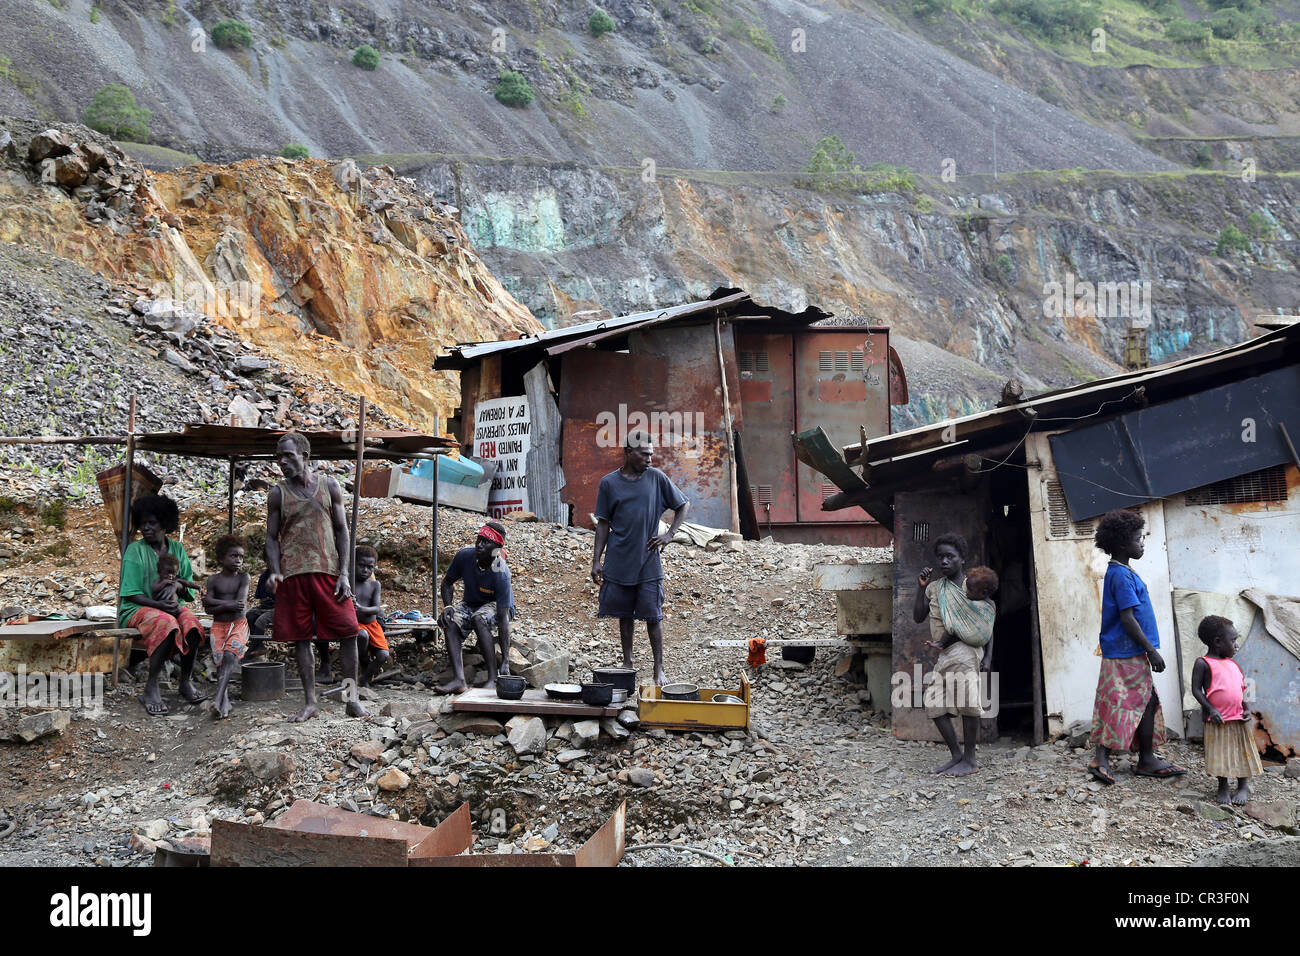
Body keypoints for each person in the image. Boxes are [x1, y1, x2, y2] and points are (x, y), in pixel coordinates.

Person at [266, 432, 365, 722]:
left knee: (348, 632)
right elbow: (271, 538)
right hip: (293, 575)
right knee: (300, 639)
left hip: (329, 573)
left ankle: (351, 699)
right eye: (279, 457)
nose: (282, 462)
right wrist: (274, 570)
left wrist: (344, 573)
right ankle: (310, 703)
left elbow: (342, 530)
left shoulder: (329, 486)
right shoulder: (277, 493)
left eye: (288, 455)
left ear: (305, 456)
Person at [1086, 509, 1185, 785]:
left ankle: (1146, 758)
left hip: (1128, 652)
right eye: (1138, 539)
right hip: (1124, 652)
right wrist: (1152, 651)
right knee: (1118, 702)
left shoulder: (1123, 572)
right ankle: (1103, 759)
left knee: (1144, 700)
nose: (1142, 543)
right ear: (1121, 544)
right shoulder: (1120, 575)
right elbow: (1127, 618)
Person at [591, 430, 689, 687]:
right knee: (625, 613)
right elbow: (603, 523)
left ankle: (659, 668)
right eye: (644, 454)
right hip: (619, 559)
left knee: (653, 615)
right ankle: (628, 662)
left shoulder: (656, 478)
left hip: (648, 560)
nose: (649, 459)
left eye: (651, 454)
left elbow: (682, 505)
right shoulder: (609, 483)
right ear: (628, 452)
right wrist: (596, 560)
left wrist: (669, 534)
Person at [912, 534, 994, 776]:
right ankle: (957, 755)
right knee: (935, 703)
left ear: (962, 559)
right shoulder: (936, 588)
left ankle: (970, 760)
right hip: (945, 654)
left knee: (968, 705)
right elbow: (918, 616)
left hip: (966, 652)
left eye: (950, 556)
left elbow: (986, 624)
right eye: (941, 557)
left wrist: (988, 658)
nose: (944, 561)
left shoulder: (972, 587)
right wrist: (921, 588)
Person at [118, 495, 206, 716]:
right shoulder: (134, 551)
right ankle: (151, 687)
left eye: (152, 523)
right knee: (165, 622)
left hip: (169, 606)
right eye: (143, 523)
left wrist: (177, 588)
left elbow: (186, 587)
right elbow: (132, 594)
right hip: (136, 608)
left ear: (165, 524)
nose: (145, 528)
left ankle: (185, 682)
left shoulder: (176, 549)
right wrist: (160, 605)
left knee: (192, 623)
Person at [435, 522, 514, 694]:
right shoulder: (465, 556)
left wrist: (506, 660)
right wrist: (448, 606)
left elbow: (502, 617)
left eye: (486, 542)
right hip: (471, 602)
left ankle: (493, 678)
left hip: (498, 606)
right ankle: (459, 680)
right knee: (450, 621)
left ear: (497, 548)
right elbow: (447, 583)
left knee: (479, 618)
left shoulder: (501, 572)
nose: (479, 544)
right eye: (478, 539)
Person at [1192, 615, 1260, 805]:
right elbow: (1196, 690)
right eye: (1233, 640)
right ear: (1218, 642)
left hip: (1238, 718)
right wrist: (1211, 709)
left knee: (1241, 752)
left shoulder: (1233, 663)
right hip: (1218, 719)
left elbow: (1241, 690)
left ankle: (1243, 786)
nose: (1236, 645)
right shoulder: (1203, 663)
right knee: (1221, 753)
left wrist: (1247, 708)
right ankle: (1223, 787)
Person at [203, 535, 251, 720]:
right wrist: (226, 605)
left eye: (241, 557)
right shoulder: (214, 580)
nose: (238, 560)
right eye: (233, 556)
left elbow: (240, 604)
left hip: (238, 625)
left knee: (230, 656)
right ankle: (225, 702)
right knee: (221, 662)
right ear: (222, 558)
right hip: (218, 626)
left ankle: (217, 699)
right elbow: (207, 609)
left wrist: (214, 602)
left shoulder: (243, 578)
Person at [354, 545, 390, 687]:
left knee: (383, 655)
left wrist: (361, 608)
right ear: (353, 564)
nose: (365, 570)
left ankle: (365, 677)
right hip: (355, 624)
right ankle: (364, 661)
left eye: (370, 567)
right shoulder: (349, 583)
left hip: (372, 625)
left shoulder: (375, 585)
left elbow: (376, 608)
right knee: (362, 635)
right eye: (361, 566)